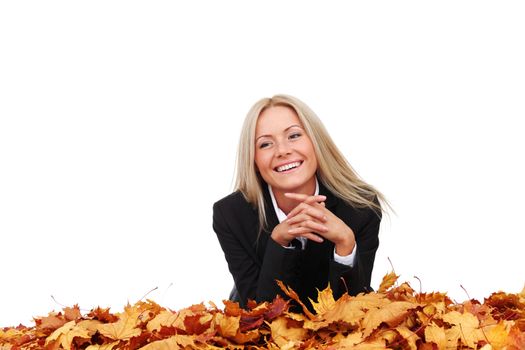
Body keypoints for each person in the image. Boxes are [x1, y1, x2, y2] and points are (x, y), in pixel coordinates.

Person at [213, 94, 387, 309]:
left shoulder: (361, 207)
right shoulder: (230, 214)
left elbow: (355, 314)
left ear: (316, 143)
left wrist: (345, 244)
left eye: (294, 135)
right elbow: (258, 314)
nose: (283, 151)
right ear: (253, 159)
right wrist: (278, 243)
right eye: (265, 144)